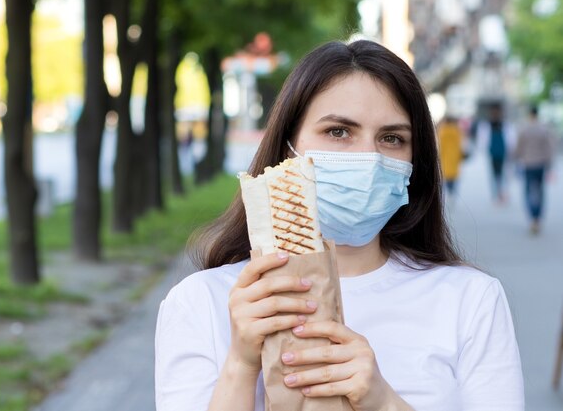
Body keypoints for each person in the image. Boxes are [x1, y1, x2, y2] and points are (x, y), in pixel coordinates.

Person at [155, 39, 524, 411]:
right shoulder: (202, 303)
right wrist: (240, 363)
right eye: (338, 132)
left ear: (415, 162)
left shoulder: (471, 300)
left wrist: (383, 401)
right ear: (288, 148)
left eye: (392, 138)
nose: (368, 156)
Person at [514, 105, 557, 234]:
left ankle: (532, 217)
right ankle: (538, 218)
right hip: (541, 164)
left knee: (528, 191)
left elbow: (518, 148)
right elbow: (549, 147)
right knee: (540, 191)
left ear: (529, 114)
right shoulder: (544, 129)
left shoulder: (524, 128)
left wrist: (516, 159)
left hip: (528, 164)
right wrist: (550, 163)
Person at [474, 103, 516, 203]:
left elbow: (511, 139)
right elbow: (482, 140)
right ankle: (495, 194)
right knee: (493, 174)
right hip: (492, 153)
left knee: (503, 174)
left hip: (503, 153)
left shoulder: (505, 125)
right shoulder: (486, 125)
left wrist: (512, 151)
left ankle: (502, 193)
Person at [436, 114, 465, 202]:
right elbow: (460, 144)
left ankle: (448, 193)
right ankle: (452, 193)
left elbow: (440, 145)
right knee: (454, 176)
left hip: (445, 156)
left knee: (445, 175)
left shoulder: (442, 130)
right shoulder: (457, 131)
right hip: (455, 156)